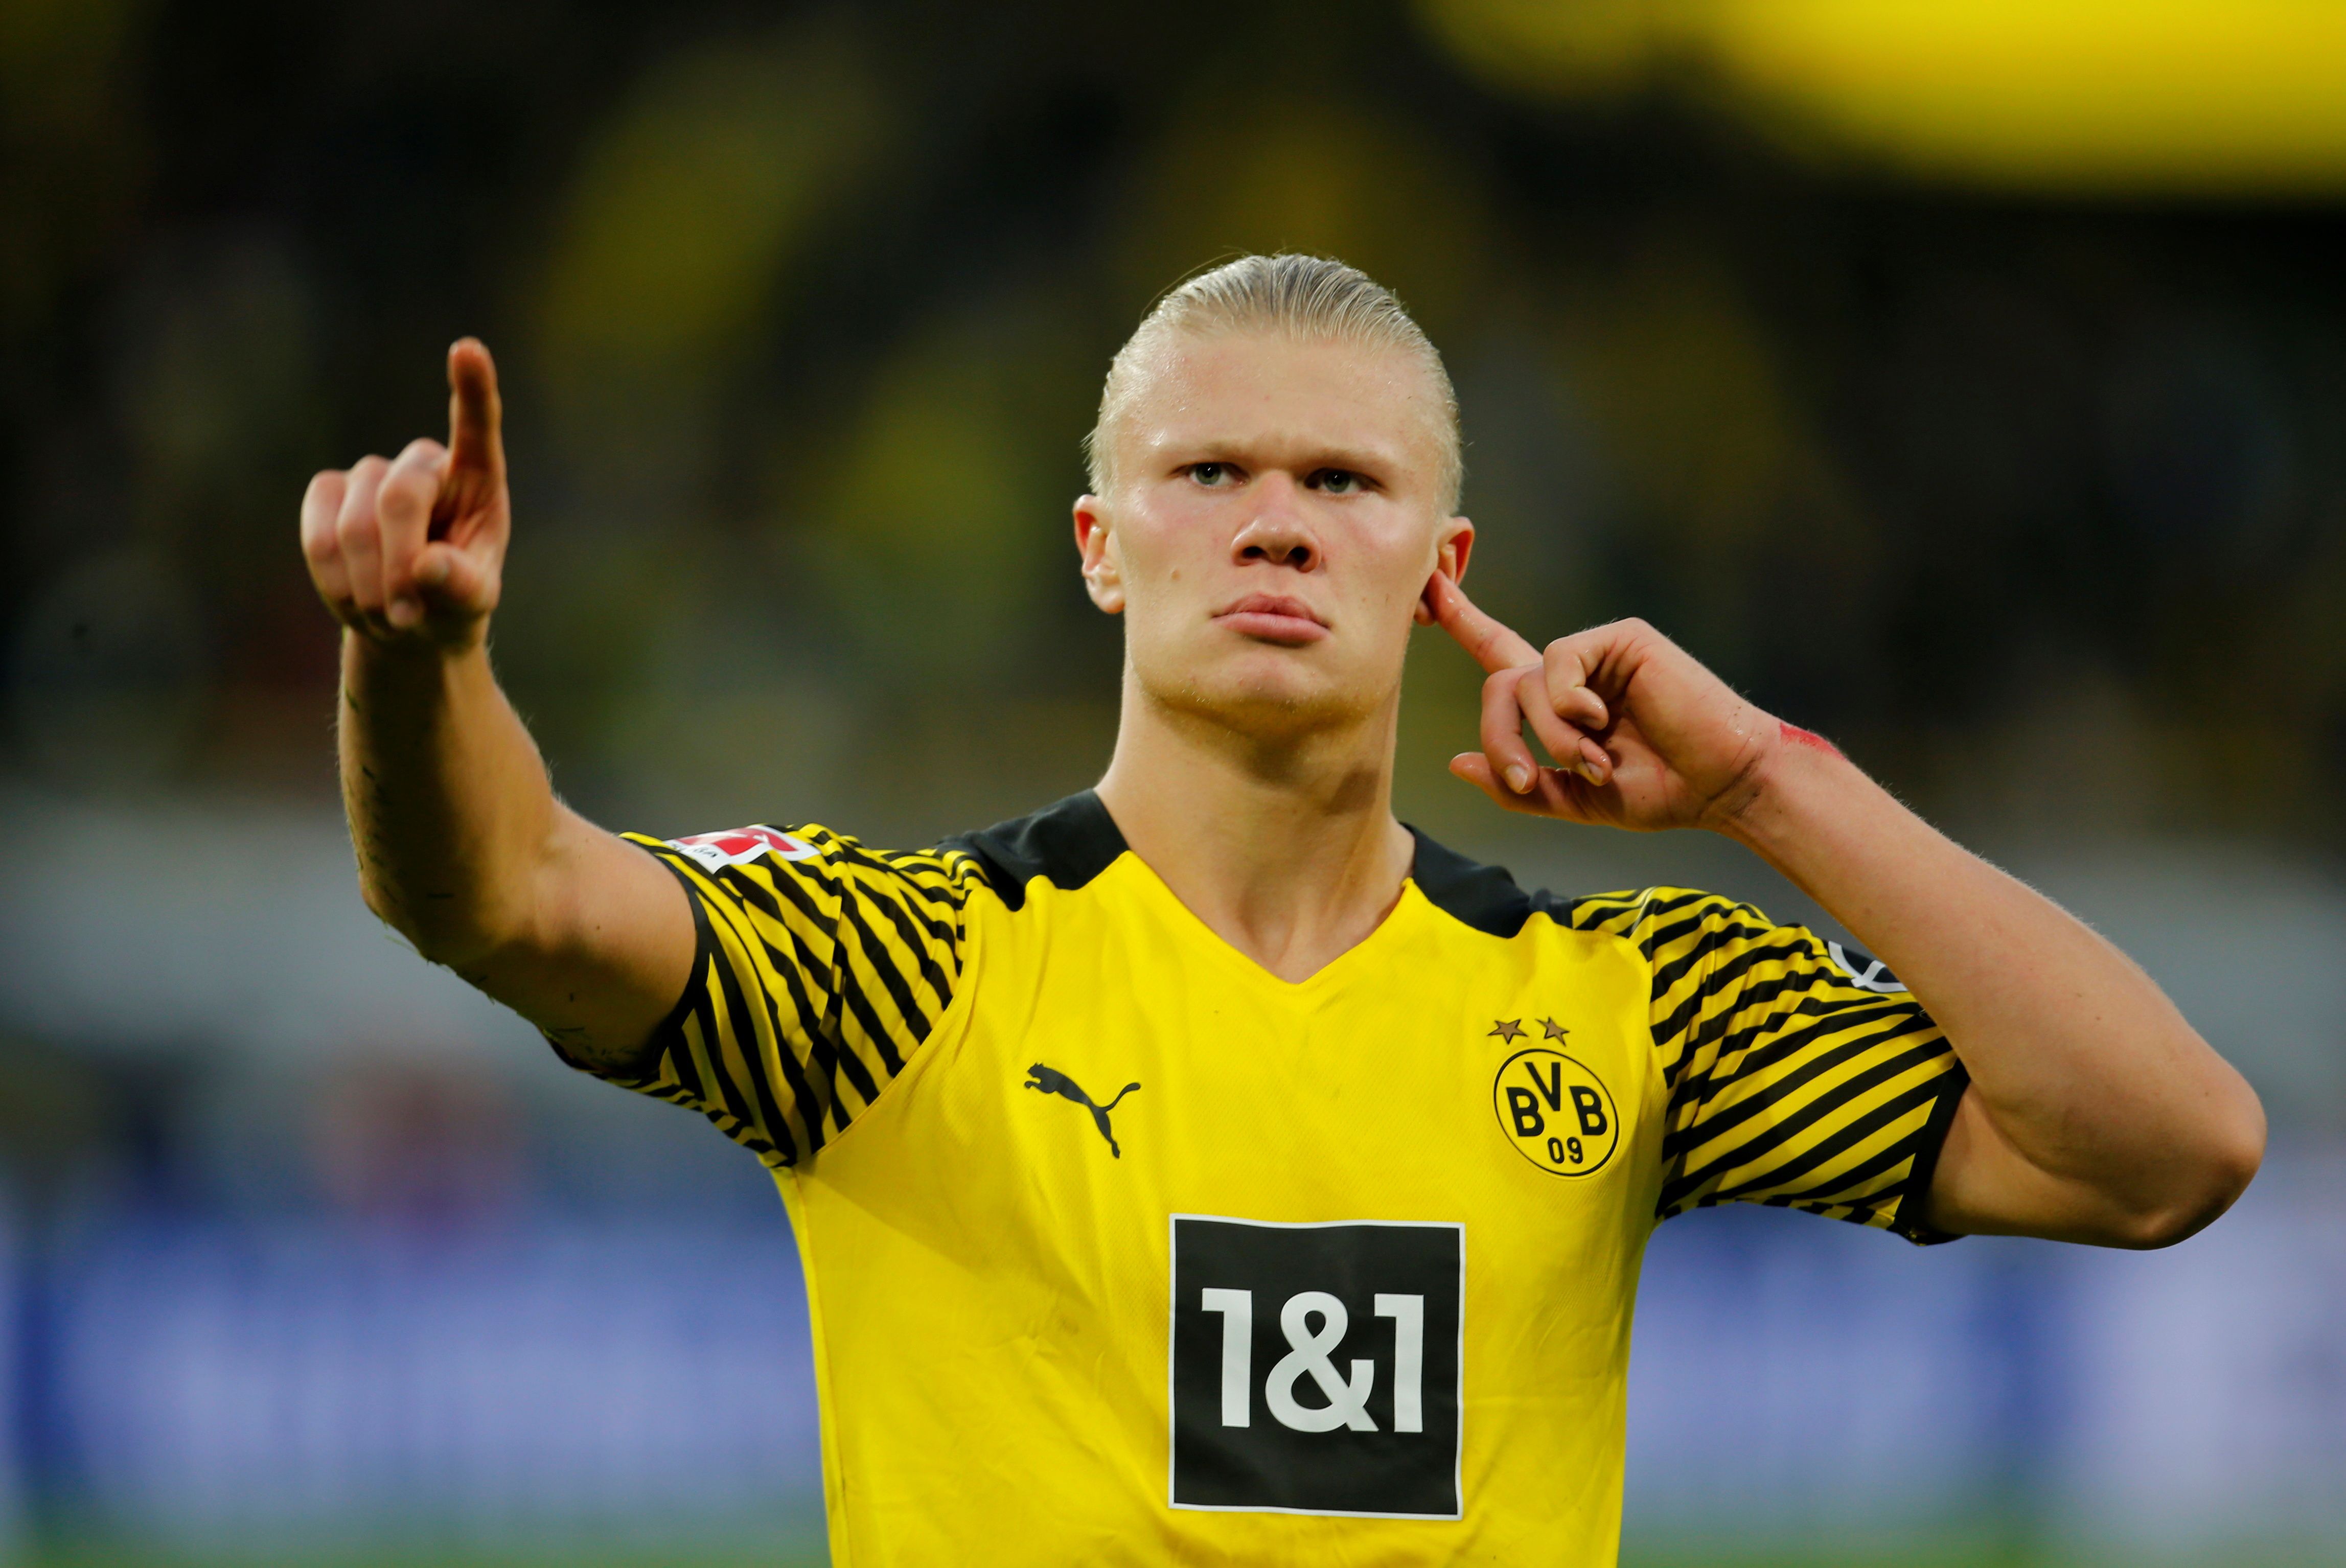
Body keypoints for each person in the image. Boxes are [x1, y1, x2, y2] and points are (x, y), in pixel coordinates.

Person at [298, 255, 2264, 1565]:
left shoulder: (1629, 999)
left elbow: (2170, 1147)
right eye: (1208, 470)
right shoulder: (906, 965)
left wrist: (1764, 781)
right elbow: (507, 895)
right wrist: (412, 661)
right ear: (1100, 546)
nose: (1275, 521)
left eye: (1343, 480)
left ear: (1441, 564)